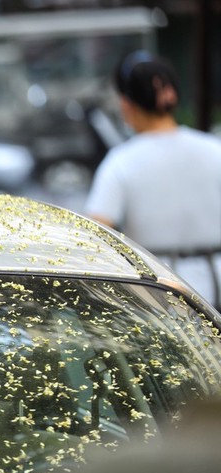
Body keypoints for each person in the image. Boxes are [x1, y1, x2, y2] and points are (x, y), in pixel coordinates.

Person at [85, 50, 221, 306]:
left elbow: (97, 231)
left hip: (159, 291)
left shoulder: (121, 162)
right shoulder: (214, 149)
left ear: (126, 103)